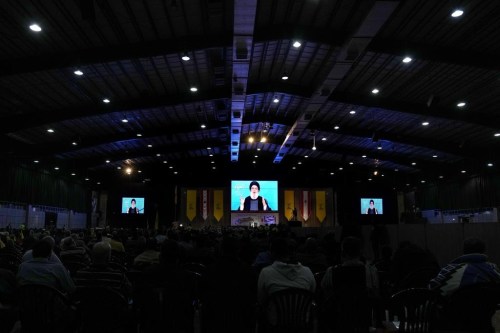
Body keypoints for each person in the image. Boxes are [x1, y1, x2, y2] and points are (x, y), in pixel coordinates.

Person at [429, 238, 500, 297]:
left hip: (452, 312)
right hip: (486, 312)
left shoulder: (449, 270)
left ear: (464, 251)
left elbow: (431, 288)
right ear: (484, 251)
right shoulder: (493, 268)